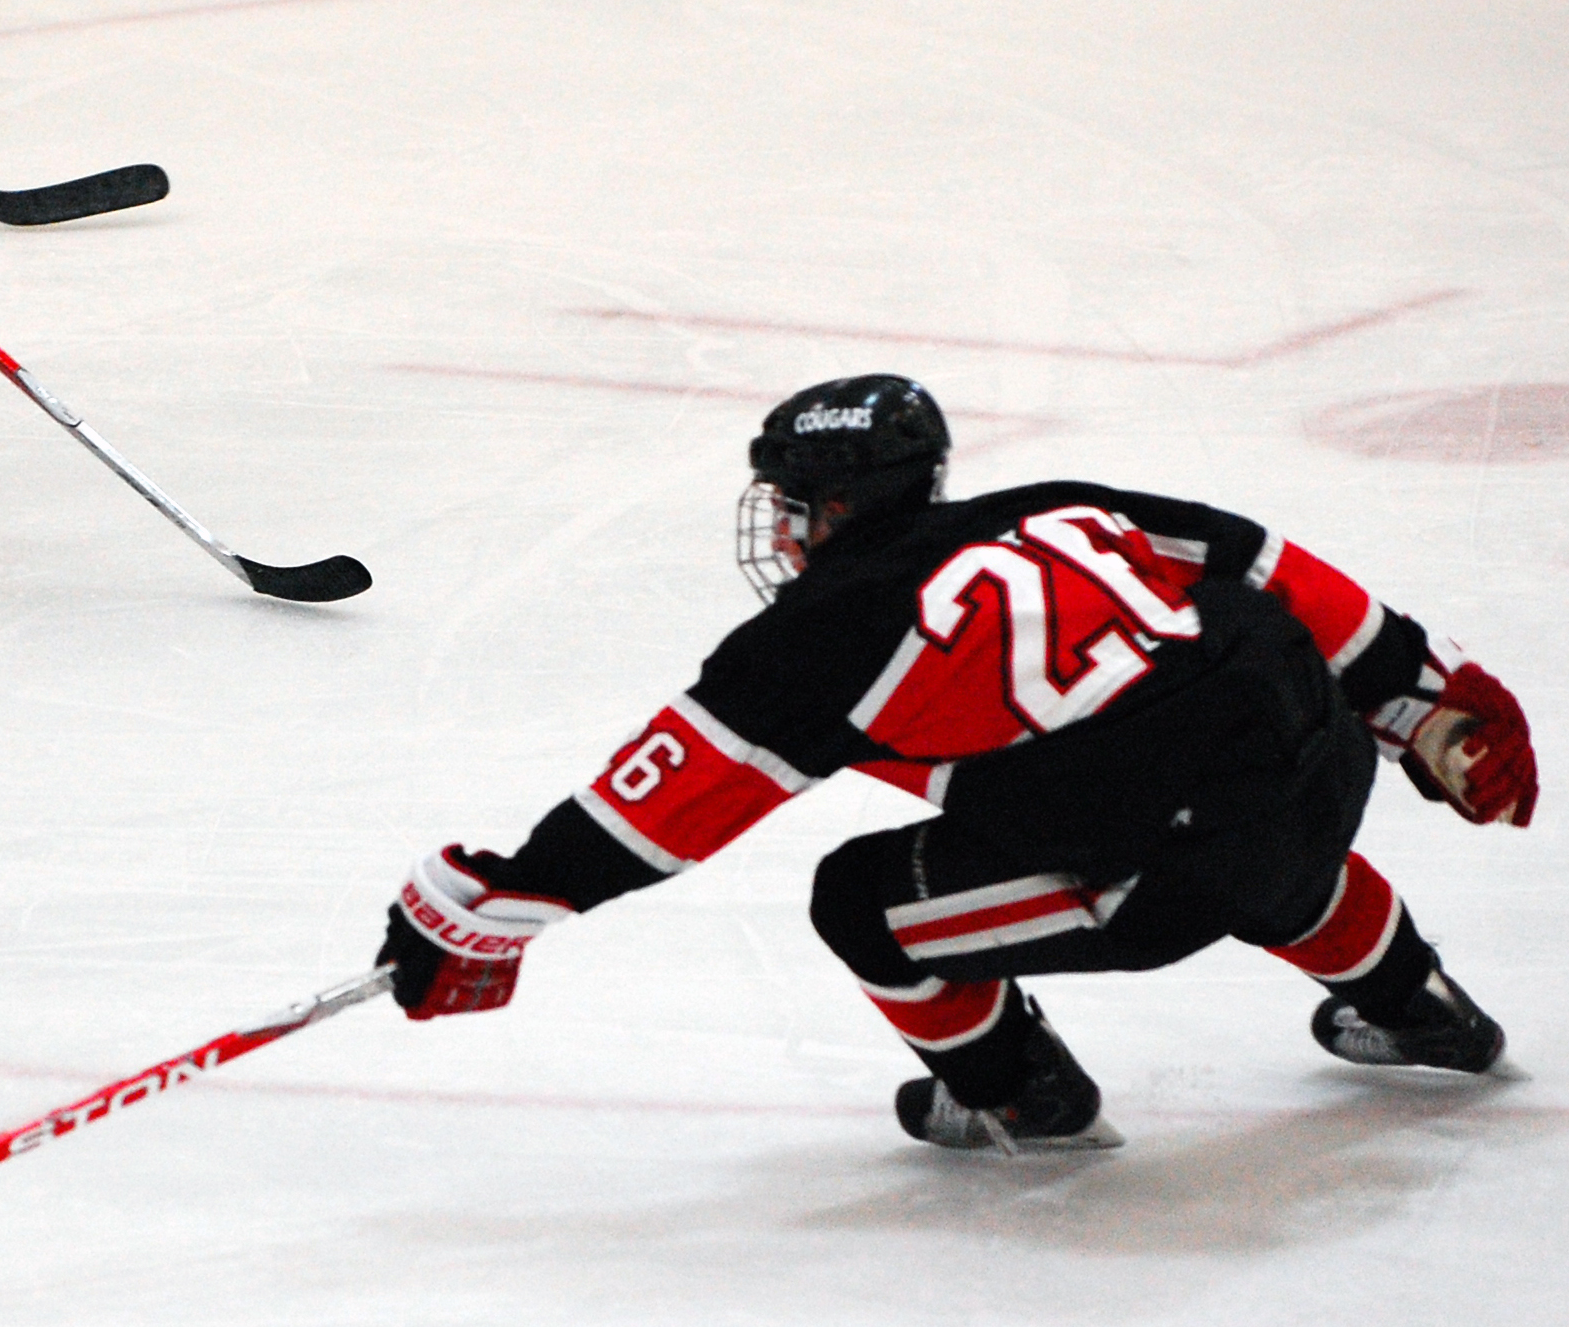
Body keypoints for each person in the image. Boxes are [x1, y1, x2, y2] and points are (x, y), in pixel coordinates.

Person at [373, 373, 1538, 1151]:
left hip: (1184, 859)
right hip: (1322, 765)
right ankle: (1424, 1010)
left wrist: (499, 905)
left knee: (864, 899)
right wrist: (1424, 701)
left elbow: (662, 808)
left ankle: (1018, 1096)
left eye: (792, 505)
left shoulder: (819, 638)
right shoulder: (1057, 504)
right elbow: (1266, 566)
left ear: (834, 507)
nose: (781, 531)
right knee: (1220, 786)